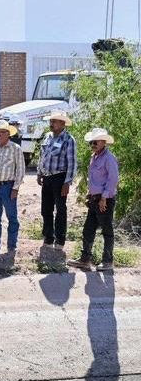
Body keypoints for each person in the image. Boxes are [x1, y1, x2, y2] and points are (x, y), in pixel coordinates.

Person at [68, 128, 119, 271]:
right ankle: (85, 260)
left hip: (104, 200)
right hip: (94, 199)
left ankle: (107, 261)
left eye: (96, 141)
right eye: (92, 142)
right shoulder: (95, 157)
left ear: (104, 142)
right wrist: (90, 194)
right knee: (88, 230)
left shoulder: (109, 158)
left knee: (107, 230)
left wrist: (104, 197)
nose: (93, 144)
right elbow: (95, 180)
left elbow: (113, 179)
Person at [37, 110, 76, 249]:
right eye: (51, 121)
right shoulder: (47, 137)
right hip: (47, 178)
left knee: (60, 209)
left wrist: (67, 182)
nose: (51, 123)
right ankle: (48, 237)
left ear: (62, 123)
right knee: (46, 209)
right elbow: (42, 156)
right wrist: (39, 173)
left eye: (54, 121)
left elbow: (72, 163)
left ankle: (60, 240)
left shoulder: (68, 139)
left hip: (60, 178)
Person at [0, 119, 25, 255]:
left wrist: (15, 188)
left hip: (8, 186)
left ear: (8, 134)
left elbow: (20, 170)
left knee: (12, 217)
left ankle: (12, 246)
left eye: (1, 132)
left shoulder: (15, 148)